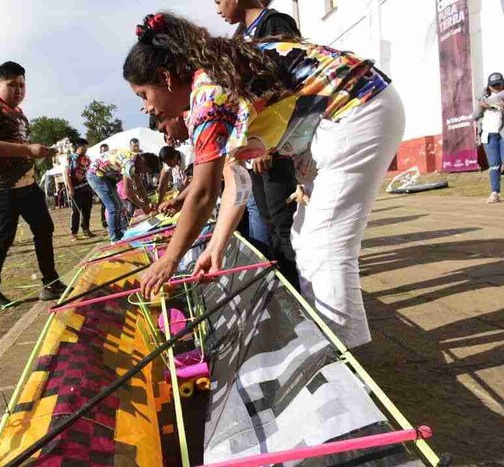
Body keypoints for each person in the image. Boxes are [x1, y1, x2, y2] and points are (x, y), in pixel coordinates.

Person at [126, 13, 404, 349]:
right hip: (353, 111)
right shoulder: (215, 75)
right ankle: (333, 342)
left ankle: (346, 357)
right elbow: (238, 183)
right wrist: (216, 245)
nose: (147, 107)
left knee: (324, 246)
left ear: (165, 77)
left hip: (358, 108)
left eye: (143, 94)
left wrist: (169, 259)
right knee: (304, 238)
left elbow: (202, 193)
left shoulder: (207, 93)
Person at [215, 0, 302, 288]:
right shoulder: (240, 38)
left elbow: (286, 87)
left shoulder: (275, 25)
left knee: (283, 223)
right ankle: (287, 289)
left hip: (275, 145)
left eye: (217, 1)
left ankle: (301, 292)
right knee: (267, 220)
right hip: (254, 148)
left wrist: (271, 143)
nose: (217, 10)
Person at [0, 60, 68, 307]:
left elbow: (20, 145)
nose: (19, 90)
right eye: (12, 85)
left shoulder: (18, 113)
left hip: (27, 185)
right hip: (2, 188)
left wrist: (40, 152)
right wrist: (29, 149)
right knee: (4, 237)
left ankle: (50, 282)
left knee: (44, 228)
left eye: (22, 85)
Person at [86, 148, 159, 242]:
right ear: (144, 163)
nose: (144, 173)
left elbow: (140, 186)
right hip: (95, 174)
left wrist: (147, 202)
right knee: (113, 207)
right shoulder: (130, 165)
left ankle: (118, 233)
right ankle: (114, 238)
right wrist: (142, 206)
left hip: (107, 175)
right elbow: (128, 191)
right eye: (146, 170)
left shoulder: (136, 161)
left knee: (119, 206)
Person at [475, 72, 504, 204]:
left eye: (499, 84)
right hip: (489, 134)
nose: (497, 87)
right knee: (494, 165)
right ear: (489, 86)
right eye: (494, 85)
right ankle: (495, 193)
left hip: (502, 133)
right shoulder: (484, 98)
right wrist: (481, 106)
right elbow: (474, 116)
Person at [64, 138, 96, 241]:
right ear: (79, 146)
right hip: (76, 190)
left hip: (87, 188)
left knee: (87, 210)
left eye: (87, 147)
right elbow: (67, 174)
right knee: (76, 211)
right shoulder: (70, 158)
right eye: (84, 147)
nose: (86, 149)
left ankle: (86, 229)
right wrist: (70, 189)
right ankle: (74, 233)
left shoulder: (87, 158)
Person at [98, 144, 109, 229]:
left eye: (106, 150)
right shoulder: (98, 161)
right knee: (104, 204)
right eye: (103, 151)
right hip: (101, 185)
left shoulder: (109, 159)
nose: (105, 152)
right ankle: (104, 222)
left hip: (110, 184)